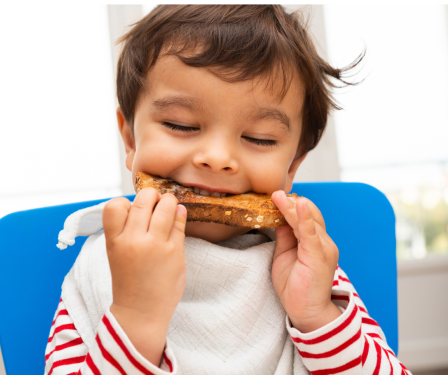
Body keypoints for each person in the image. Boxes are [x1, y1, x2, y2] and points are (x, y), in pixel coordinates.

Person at [45, 5, 411, 375]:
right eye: (180, 125)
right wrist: (137, 316)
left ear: (292, 166)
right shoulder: (102, 267)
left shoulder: (310, 270)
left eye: (259, 138)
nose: (218, 158)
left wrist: (317, 316)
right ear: (130, 139)